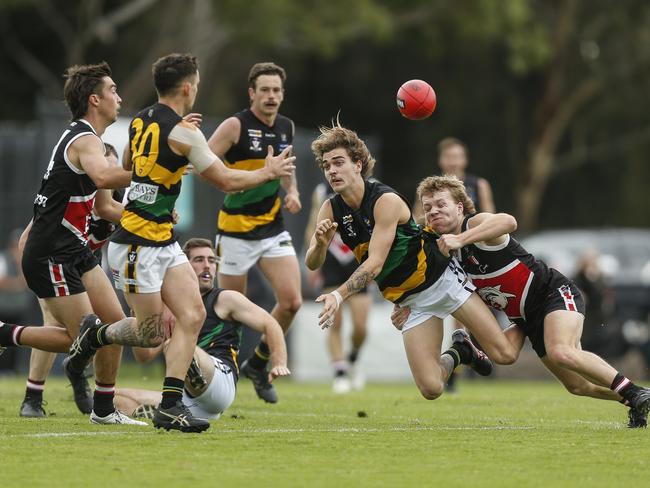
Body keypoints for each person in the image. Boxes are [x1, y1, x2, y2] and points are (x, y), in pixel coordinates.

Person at [66, 53, 295, 433]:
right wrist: (267, 171)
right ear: (188, 87)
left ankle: (170, 406)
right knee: (150, 334)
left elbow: (132, 164)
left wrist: (160, 181)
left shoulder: (140, 120)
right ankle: (97, 335)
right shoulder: (185, 132)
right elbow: (223, 180)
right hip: (137, 243)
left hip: (163, 240)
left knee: (193, 315)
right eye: (198, 84)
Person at [392, 175, 650, 428]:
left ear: (459, 207)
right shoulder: (441, 249)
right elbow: (420, 279)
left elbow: (508, 221)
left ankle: (635, 391)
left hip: (552, 294)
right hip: (523, 318)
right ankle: (635, 400)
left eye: (440, 204)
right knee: (575, 385)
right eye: (427, 208)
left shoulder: (474, 225)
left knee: (562, 351)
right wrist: (402, 305)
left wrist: (461, 238)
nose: (433, 211)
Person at [305, 123, 521, 404]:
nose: (331, 171)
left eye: (338, 163)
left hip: (442, 280)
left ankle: (533, 316)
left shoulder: (385, 200)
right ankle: (460, 352)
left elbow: (375, 263)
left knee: (504, 354)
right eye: (326, 165)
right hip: (411, 302)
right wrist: (320, 245)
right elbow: (312, 262)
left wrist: (338, 294)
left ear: (358, 165)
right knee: (432, 388)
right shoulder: (330, 208)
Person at [0, 62, 143, 425]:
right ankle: (6, 334)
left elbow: (106, 205)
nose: (119, 96)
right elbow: (104, 174)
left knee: (115, 327)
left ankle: (104, 410)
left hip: (73, 250)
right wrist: (152, 170)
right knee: (87, 337)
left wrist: (150, 216)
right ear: (95, 99)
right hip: (50, 253)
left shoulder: (90, 139)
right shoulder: (83, 139)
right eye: (113, 90)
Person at [207, 62, 302, 404]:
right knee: (232, 311)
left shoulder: (286, 127)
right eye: (265, 89)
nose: (271, 96)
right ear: (252, 93)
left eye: (276, 90)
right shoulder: (235, 126)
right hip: (234, 231)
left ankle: (258, 365)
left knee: (291, 301)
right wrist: (240, 179)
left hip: (272, 228)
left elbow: (285, 167)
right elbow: (205, 163)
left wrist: (292, 192)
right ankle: (222, 377)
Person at [113, 238, 290, 419]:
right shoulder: (172, 307)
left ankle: (173, 402)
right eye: (199, 260)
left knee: (176, 345)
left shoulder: (226, 299)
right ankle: (168, 412)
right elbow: (144, 357)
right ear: (182, 267)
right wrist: (140, 316)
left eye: (211, 261)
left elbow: (270, 324)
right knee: (109, 398)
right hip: (187, 397)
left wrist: (279, 362)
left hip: (220, 383)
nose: (207, 266)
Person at [18, 143, 124, 418]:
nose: (107, 173)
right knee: (59, 325)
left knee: (106, 328)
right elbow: (29, 238)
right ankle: (33, 396)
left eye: (113, 166)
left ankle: (80, 375)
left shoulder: (117, 202)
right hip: (52, 264)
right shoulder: (76, 195)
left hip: (86, 266)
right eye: (104, 166)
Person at [304, 183, 370, 394]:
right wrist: (313, 257)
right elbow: (313, 225)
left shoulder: (366, 190)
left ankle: (353, 358)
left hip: (357, 260)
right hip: (332, 262)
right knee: (335, 323)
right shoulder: (322, 191)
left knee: (360, 327)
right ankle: (340, 372)